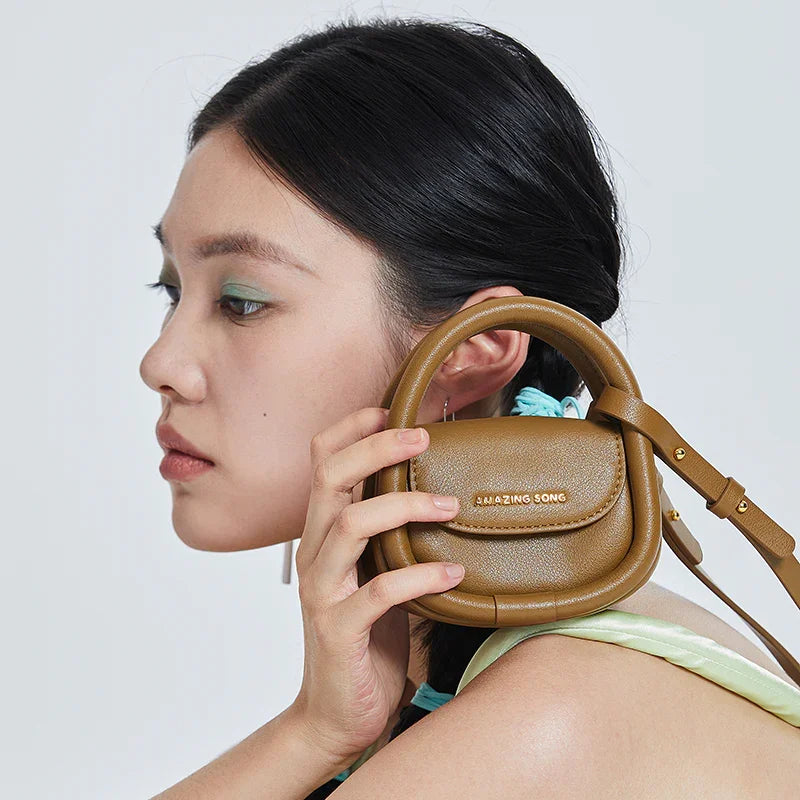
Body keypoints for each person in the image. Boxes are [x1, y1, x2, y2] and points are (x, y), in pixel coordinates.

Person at [139, 17, 800, 799]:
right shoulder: (493, 671)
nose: (161, 364)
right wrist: (311, 732)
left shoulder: (548, 719)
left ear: (476, 344)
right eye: (172, 290)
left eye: (242, 301)